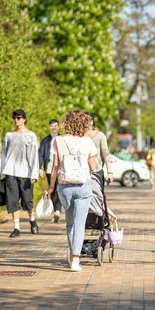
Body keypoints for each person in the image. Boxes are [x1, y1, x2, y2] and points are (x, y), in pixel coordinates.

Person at [46, 110, 98, 272]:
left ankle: (72, 255)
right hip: (83, 186)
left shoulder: (59, 140)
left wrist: (51, 187)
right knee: (79, 224)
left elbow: (55, 166)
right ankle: (76, 260)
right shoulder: (88, 141)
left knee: (69, 224)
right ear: (83, 124)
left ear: (67, 122)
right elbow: (93, 167)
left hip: (64, 186)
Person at [1, 109, 40, 237]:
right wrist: (3, 173)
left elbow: (34, 156)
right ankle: (16, 228)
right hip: (10, 172)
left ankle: (32, 220)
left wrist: (34, 174)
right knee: (12, 200)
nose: (16, 120)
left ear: (24, 119)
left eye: (19, 118)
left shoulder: (31, 136)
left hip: (26, 173)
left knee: (27, 201)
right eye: (15, 118)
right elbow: (4, 155)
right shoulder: (9, 136)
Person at [38, 119, 62, 223]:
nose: (54, 127)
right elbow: (40, 154)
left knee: (59, 189)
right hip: (49, 169)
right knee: (52, 189)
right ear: (49, 127)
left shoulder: (62, 139)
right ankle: (56, 211)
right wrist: (39, 168)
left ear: (58, 127)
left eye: (55, 126)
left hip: (60, 169)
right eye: (52, 126)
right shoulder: (45, 141)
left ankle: (57, 210)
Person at [84, 112, 114, 187]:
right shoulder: (79, 136)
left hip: (97, 170)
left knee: (99, 195)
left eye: (90, 120)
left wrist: (110, 172)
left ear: (93, 121)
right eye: (85, 120)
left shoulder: (100, 136)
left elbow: (106, 154)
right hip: (83, 172)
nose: (88, 122)